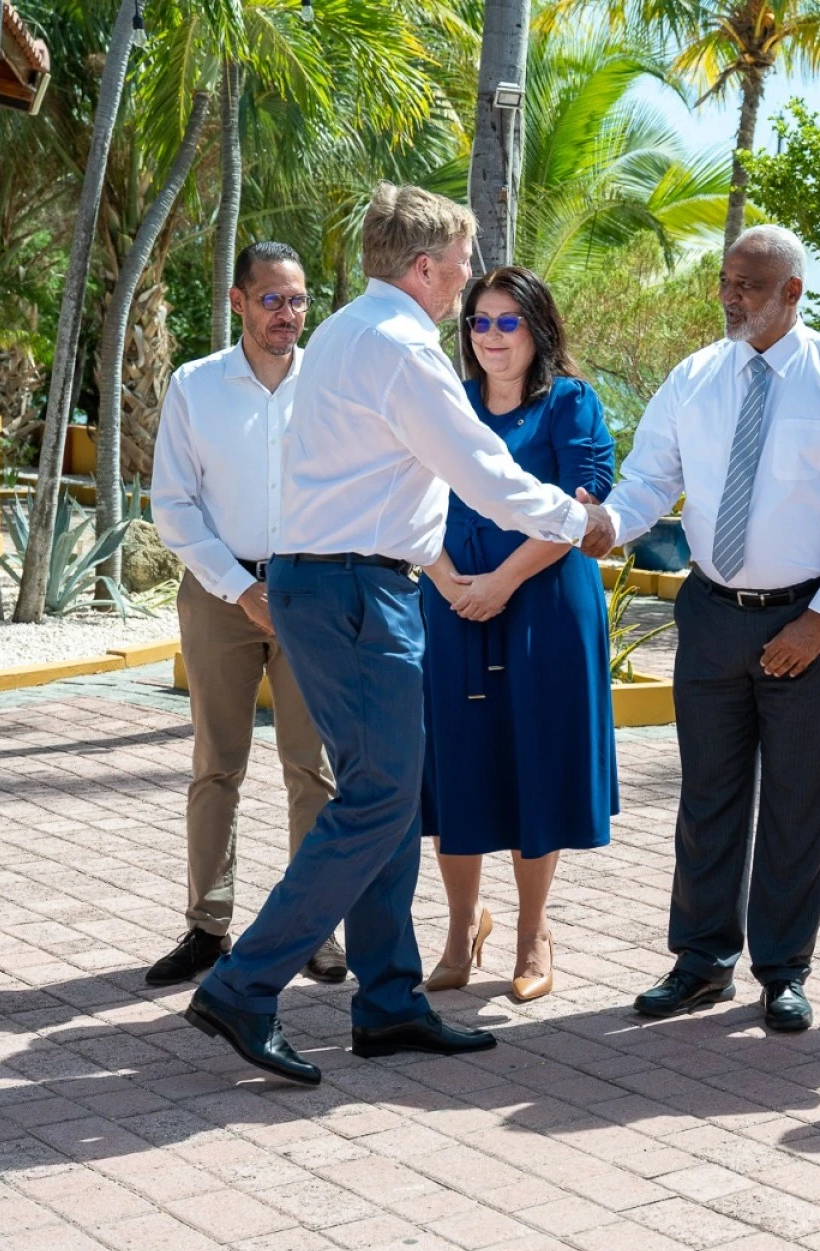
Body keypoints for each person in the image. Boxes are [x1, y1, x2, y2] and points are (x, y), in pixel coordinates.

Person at [180, 183, 616, 1086]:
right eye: (459, 263)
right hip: (354, 592)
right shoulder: (403, 348)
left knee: (385, 794)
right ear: (424, 267)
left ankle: (387, 1000)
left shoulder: (347, 330)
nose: (465, 278)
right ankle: (243, 984)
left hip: (331, 583)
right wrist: (581, 522)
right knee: (381, 799)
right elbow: (483, 472)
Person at [583, 225, 820, 1033]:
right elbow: (650, 475)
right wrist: (608, 524)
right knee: (708, 797)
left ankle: (784, 969)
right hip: (712, 612)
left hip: (807, 619)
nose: (730, 296)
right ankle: (701, 962)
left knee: (800, 802)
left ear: (793, 291)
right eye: (726, 281)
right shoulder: (695, 377)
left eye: (748, 285)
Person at [418, 266, 617, 1004]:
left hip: (544, 608)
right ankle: (461, 926)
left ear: (537, 328)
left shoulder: (571, 402)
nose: (491, 335)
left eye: (507, 321)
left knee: (535, 764)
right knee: (458, 765)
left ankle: (534, 932)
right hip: (451, 600)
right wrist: (446, 580)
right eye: (479, 321)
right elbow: (407, 496)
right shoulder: (449, 403)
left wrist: (501, 582)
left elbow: (579, 510)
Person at [147, 242, 342, 989]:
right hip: (217, 593)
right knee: (216, 765)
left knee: (311, 768)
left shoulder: (328, 384)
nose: (287, 314)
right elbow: (172, 506)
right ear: (238, 302)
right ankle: (207, 927)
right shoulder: (195, 386)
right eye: (271, 300)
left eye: (297, 300)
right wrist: (239, 587)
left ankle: (313, 929)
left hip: (311, 592)